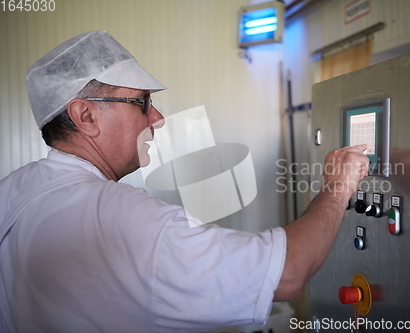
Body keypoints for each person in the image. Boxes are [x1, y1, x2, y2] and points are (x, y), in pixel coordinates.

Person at [0, 31, 369, 332]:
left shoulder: (13, 191)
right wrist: (337, 188)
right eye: (142, 102)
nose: (157, 119)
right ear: (86, 116)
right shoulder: (125, 220)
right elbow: (286, 274)